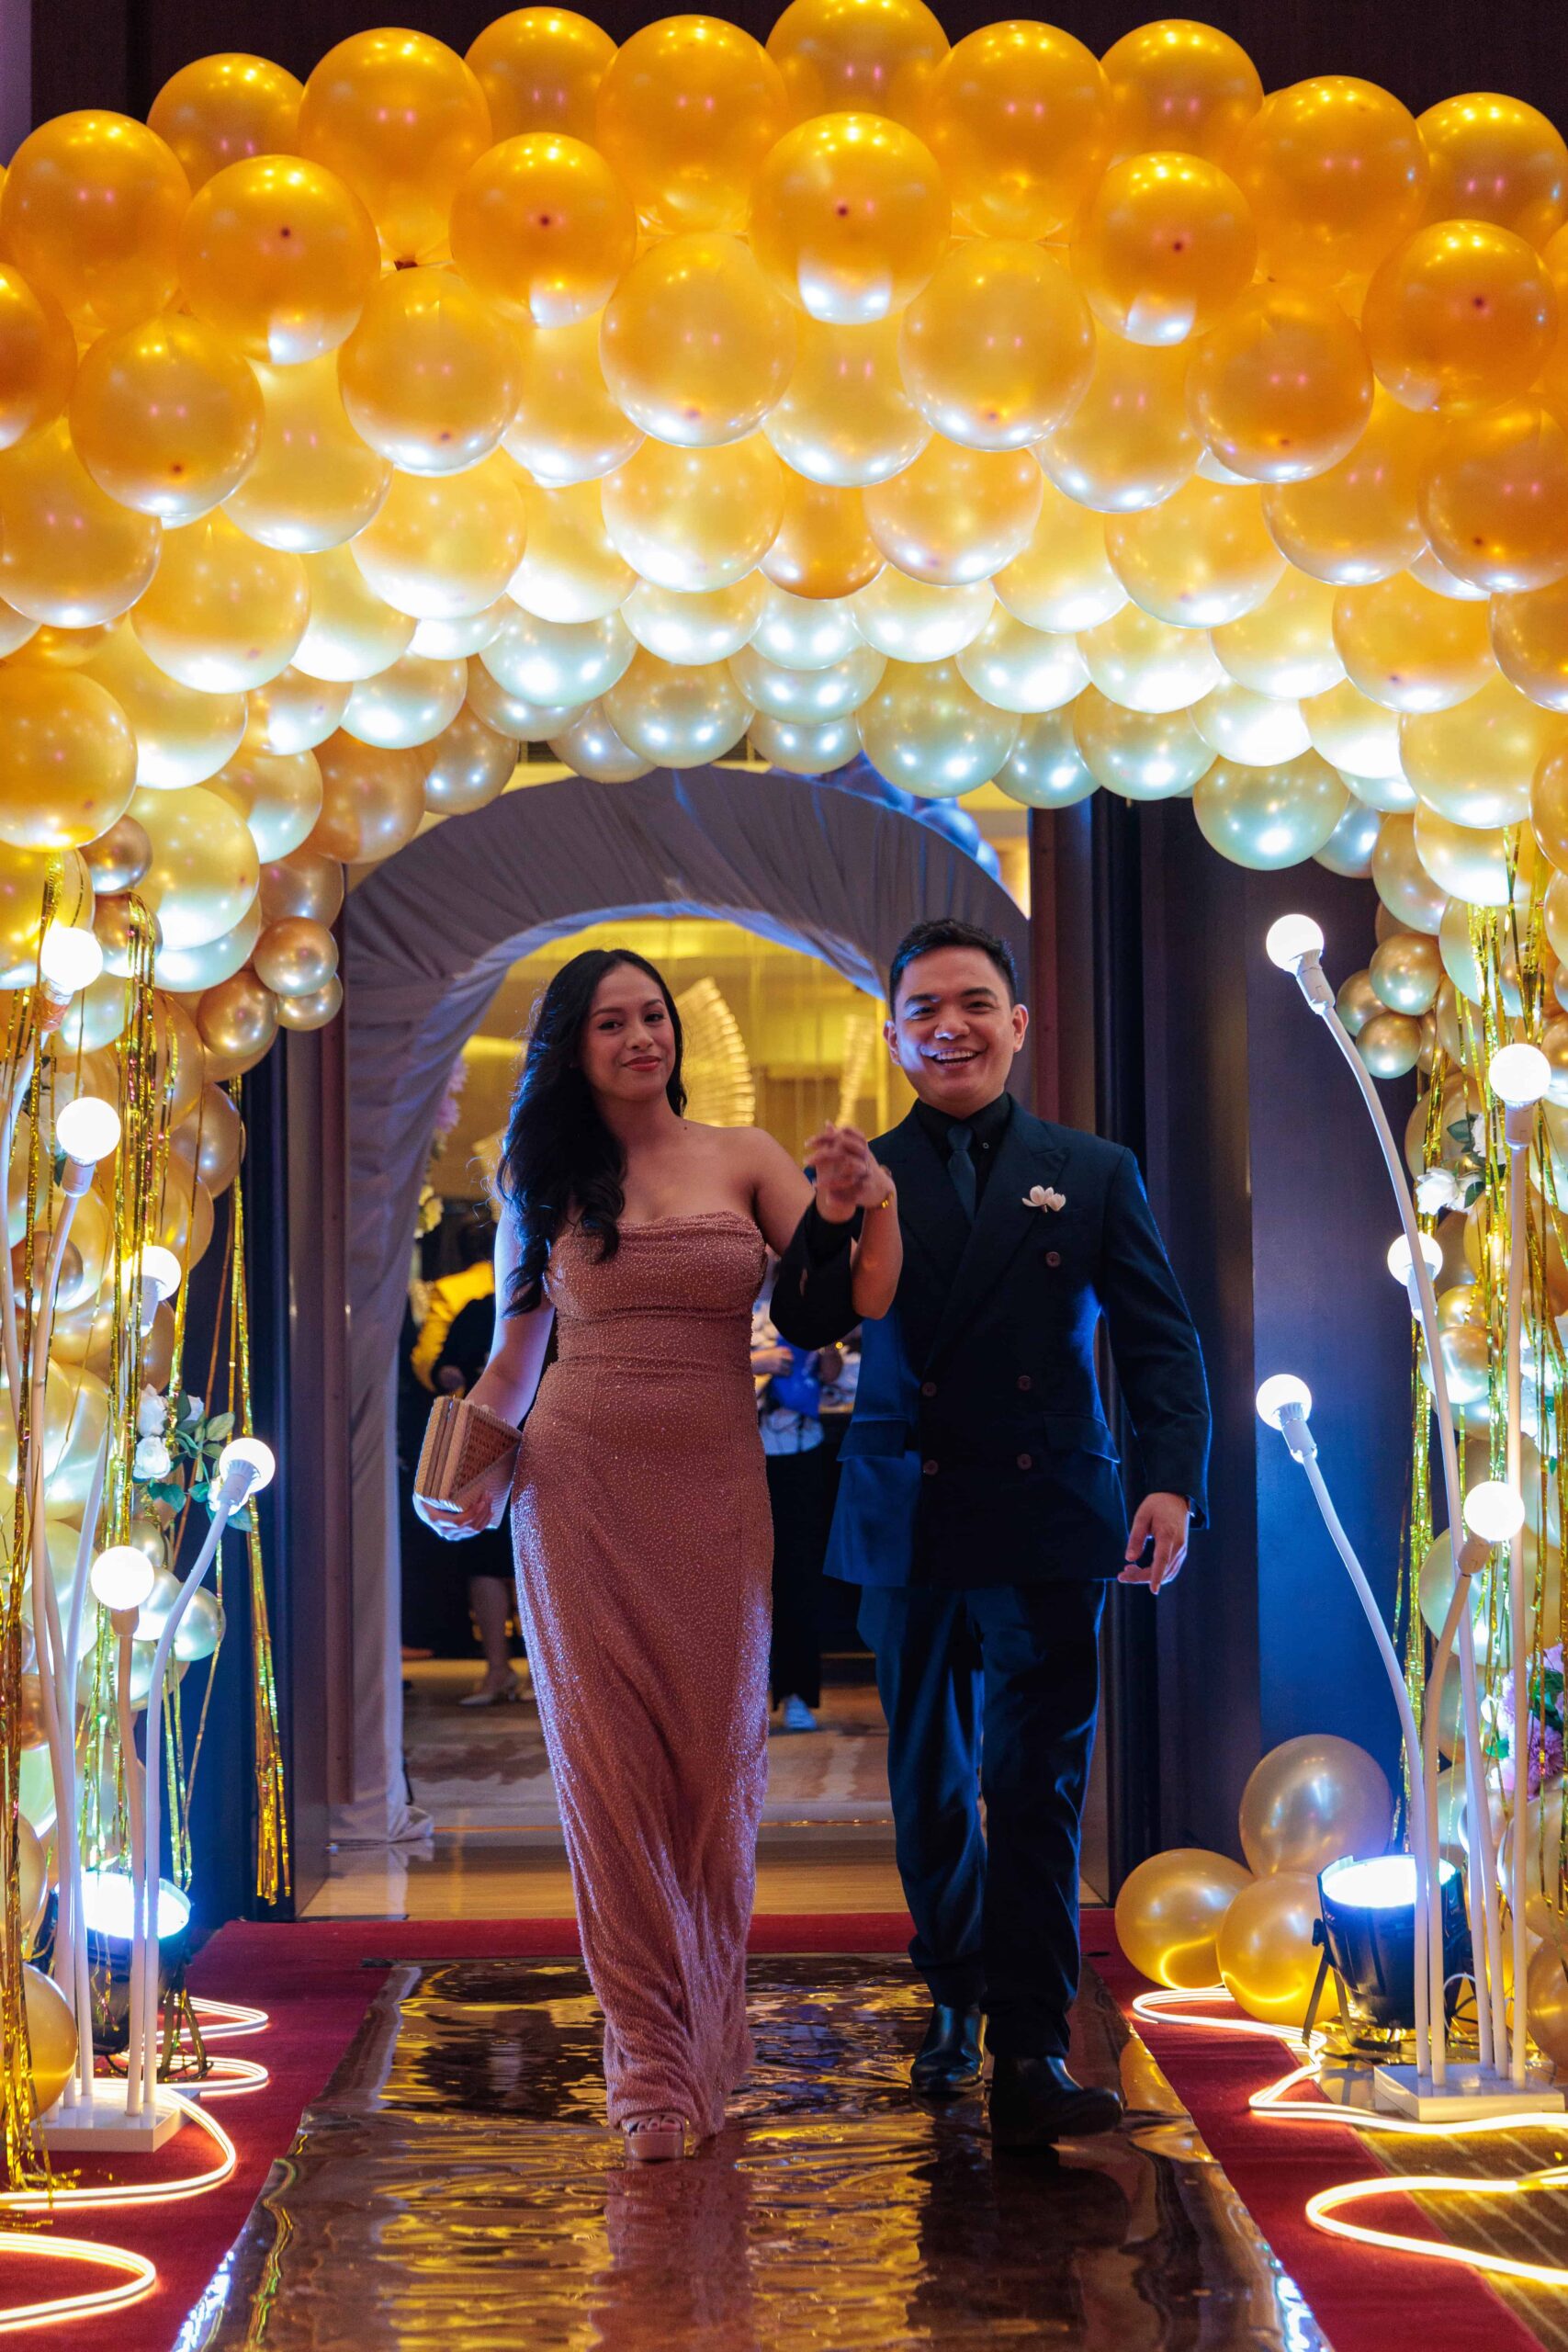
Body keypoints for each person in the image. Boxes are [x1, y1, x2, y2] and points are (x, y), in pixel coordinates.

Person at [413, 946, 901, 2164]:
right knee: (610, 1780)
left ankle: (707, 2027)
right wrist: (456, 1472)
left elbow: (822, 1303)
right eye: (611, 1022)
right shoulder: (543, 1178)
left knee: (716, 1773)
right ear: (573, 1049)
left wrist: (857, 1201)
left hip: (718, 1494)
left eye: (653, 1015)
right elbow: (517, 1356)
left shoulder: (744, 1154)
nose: (642, 1037)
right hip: (575, 1492)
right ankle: (647, 2064)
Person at [773, 917, 1210, 2152]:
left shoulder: (1092, 1168)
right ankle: (953, 1994)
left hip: (1048, 1509)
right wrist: (829, 1211)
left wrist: (1171, 1484)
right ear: (892, 1036)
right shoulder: (865, 1170)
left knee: (1033, 1786)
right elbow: (804, 1321)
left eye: (972, 1003)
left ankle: (1026, 2043)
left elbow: (1158, 1341)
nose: (949, 1026)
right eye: (923, 1009)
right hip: (906, 1510)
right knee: (927, 1786)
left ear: (1016, 1024)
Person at [427, 1252, 526, 1709]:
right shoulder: (477, 1310)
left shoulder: (555, 1300)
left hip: (551, 1435)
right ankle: (497, 1668)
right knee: (485, 1555)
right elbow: (444, 1368)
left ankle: (546, 1674)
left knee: (539, 1557)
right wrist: (448, 1374)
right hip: (490, 1438)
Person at [750, 1263, 841, 1733]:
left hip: (801, 1452)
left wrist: (828, 1349)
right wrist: (758, 1362)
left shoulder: (803, 1302)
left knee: (798, 1578)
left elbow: (832, 1373)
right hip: (741, 1457)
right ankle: (742, 1701)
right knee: (743, 1584)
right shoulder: (727, 1302)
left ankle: (797, 1693)